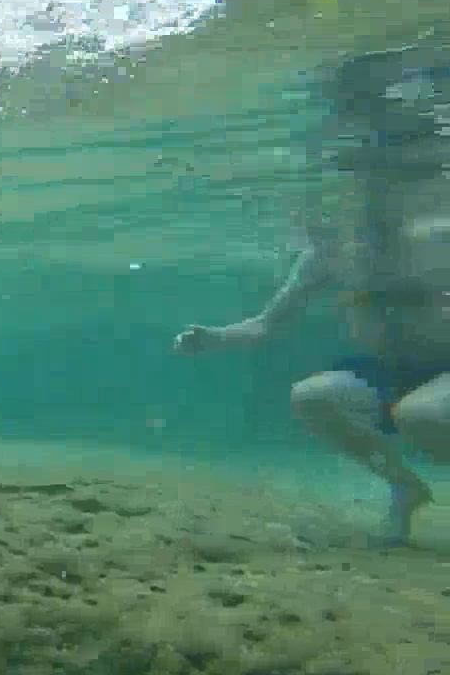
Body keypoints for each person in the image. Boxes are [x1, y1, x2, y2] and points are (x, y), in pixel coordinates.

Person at [172, 45, 450, 547]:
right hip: (392, 373)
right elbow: (264, 325)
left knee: (422, 415)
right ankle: (403, 488)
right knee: (314, 398)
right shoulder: (331, 251)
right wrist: (213, 337)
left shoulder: (438, 230)